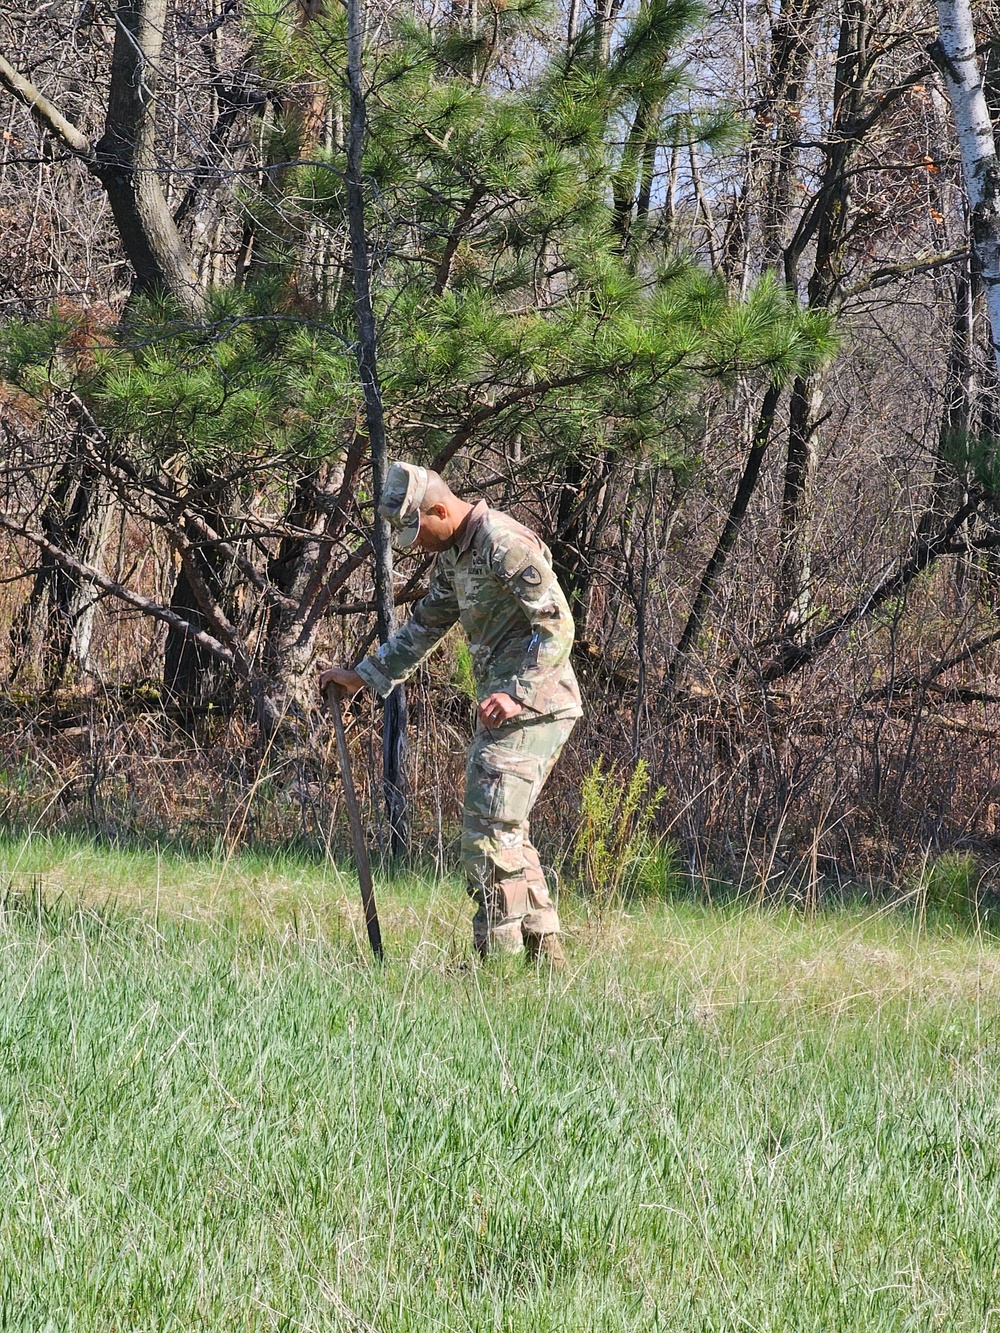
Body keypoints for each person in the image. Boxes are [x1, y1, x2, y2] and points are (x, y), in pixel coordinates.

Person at [319, 462, 583, 964]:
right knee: (506, 828)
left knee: (487, 832)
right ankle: (546, 960)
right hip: (515, 708)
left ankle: (495, 965)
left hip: (537, 706)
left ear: (440, 510)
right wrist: (364, 676)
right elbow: (424, 627)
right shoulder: (457, 556)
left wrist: (517, 693)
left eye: (417, 530)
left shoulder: (502, 543)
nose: (415, 543)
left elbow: (556, 624)